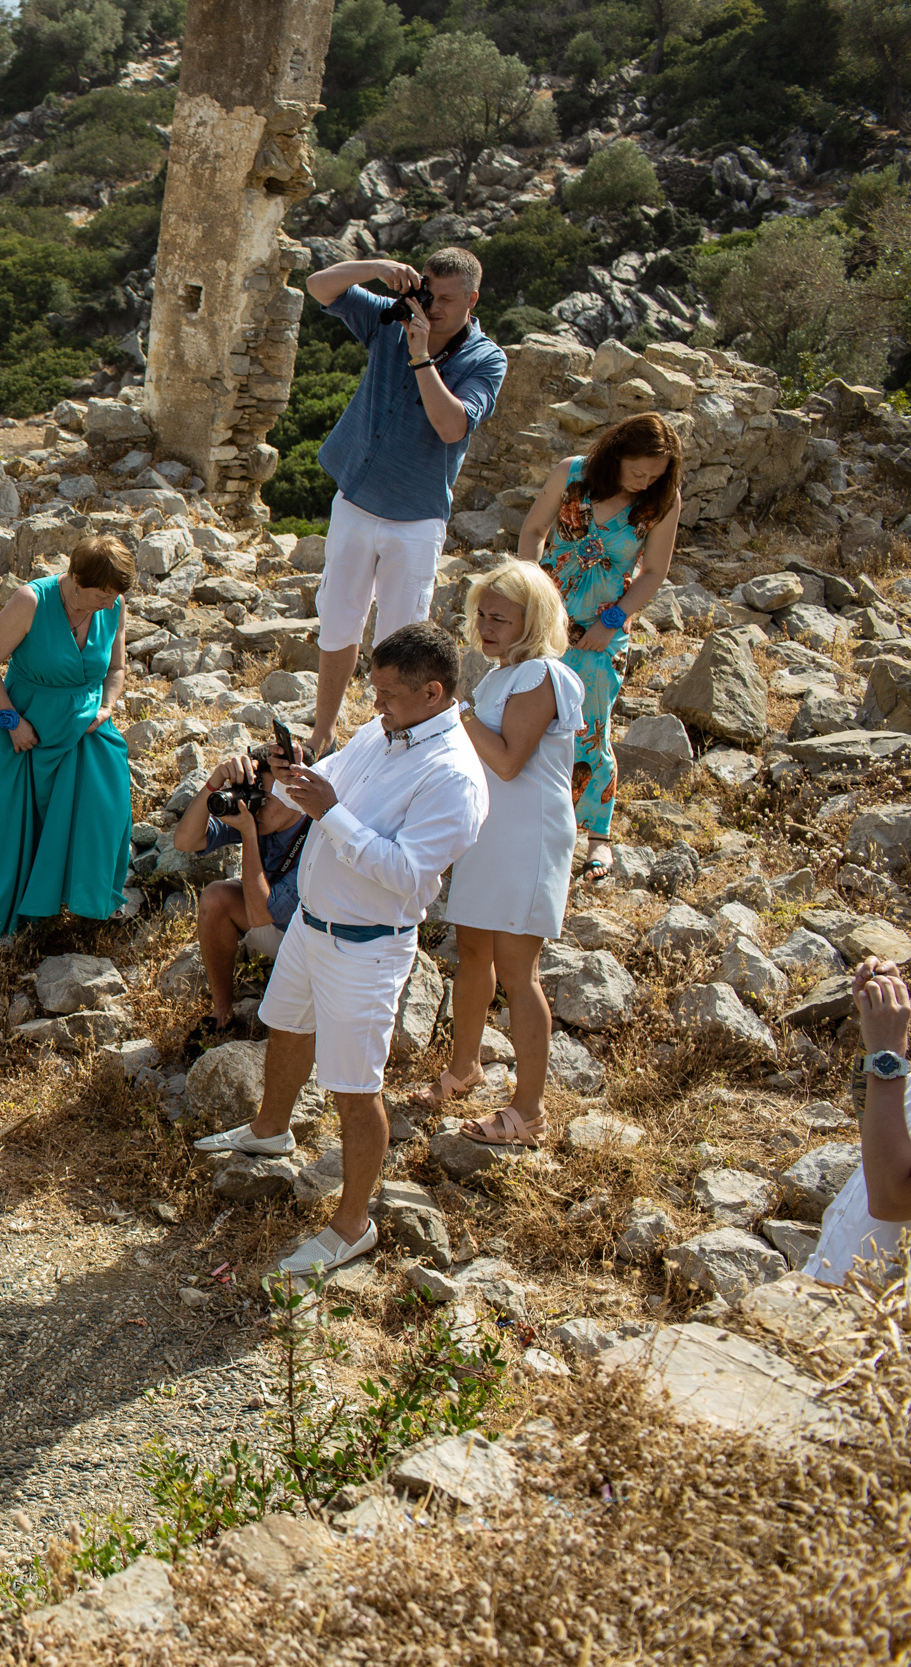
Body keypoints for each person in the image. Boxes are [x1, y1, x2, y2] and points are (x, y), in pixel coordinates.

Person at [194, 624, 490, 1282]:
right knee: (286, 1024)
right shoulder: (383, 732)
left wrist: (330, 812)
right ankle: (270, 1130)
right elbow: (329, 781)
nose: (375, 704)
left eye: (388, 693)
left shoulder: (454, 776)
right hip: (312, 925)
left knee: (356, 1090)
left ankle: (353, 1225)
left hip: (367, 948)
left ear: (433, 692)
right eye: (374, 689)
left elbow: (408, 874)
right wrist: (295, 775)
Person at [301, 249, 508, 747]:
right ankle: (323, 734)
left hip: (415, 518)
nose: (433, 307)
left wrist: (421, 357)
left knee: (400, 642)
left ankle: (385, 743)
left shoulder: (487, 359)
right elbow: (319, 286)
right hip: (356, 498)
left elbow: (452, 425)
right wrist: (375, 268)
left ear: (472, 300)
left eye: (446, 299)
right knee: (338, 622)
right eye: (428, 293)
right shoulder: (393, 318)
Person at [415, 562, 584, 1147]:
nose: (485, 627)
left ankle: (529, 1112)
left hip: (527, 837)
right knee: (472, 953)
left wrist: (455, 713)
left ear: (532, 621)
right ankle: (464, 1068)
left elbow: (509, 760)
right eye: (481, 614)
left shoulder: (541, 674)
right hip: (490, 832)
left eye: (500, 619)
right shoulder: (500, 675)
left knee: (518, 971)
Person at [517, 413, 682, 881]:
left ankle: (597, 837)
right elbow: (533, 532)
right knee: (526, 716)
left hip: (602, 631)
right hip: (543, 619)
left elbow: (654, 572)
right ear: (617, 453)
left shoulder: (662, 501)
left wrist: (612, 622)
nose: (645, 482)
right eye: (638, 471)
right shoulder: (572, 474)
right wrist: (529, 592)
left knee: (591, 728)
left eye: (654, 475)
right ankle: (527, 821)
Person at [0, 536, 134, 940]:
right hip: (27, 729)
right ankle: (12, 915)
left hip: (84, 727)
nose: (110, 604)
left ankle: (86, 901)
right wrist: (11, 721)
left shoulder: (115, 605)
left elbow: (116, 668)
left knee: (104, 810)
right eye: (102, 595)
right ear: (76, 579)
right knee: (10, 829)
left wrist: (107, 706)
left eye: (114, 596)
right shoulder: (30, 601)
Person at [172, 750, 311, 1060]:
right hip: (275, 926)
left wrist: (248, 833)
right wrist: (214, 782)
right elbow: (184, 841)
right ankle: (222, 1013)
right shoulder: (261, 817)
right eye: (254, 794)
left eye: (266, 798)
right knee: (217, 897)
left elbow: (261, 914)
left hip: (314, 945)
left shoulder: (317, 835)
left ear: (294, 797)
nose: (256, 805)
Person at [803, 957, 911, 1288]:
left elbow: (891, 1200)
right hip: (826, 1287)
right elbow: (874, 1128)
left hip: (872, 1312)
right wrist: (876, 1029)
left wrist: (887, 1052)